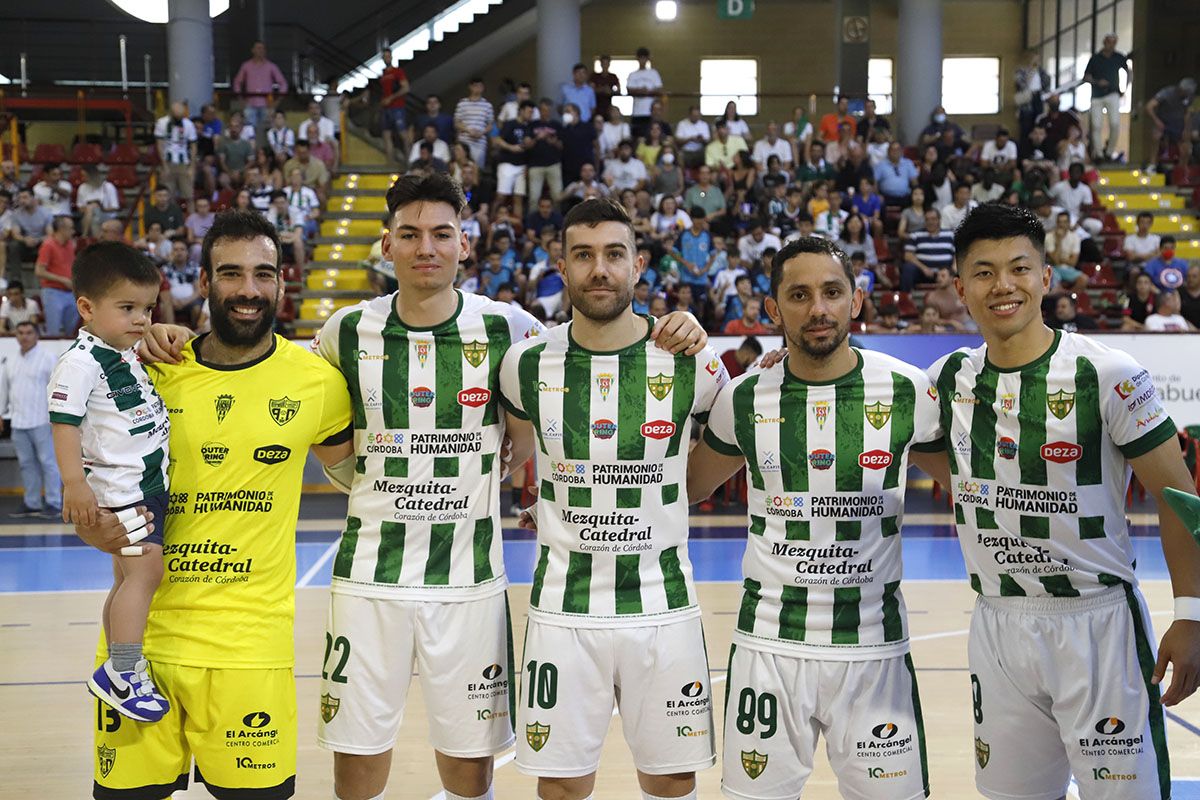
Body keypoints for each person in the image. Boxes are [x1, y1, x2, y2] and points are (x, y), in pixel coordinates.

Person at [315, 177, 704, 800]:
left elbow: (530, 424)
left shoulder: (508, 330)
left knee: (471, 769)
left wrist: (491, 474)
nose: (426, 248)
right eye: (410, 235)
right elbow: (320, 426)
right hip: (368, 577)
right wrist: (361, 481)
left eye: (441, 234)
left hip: (470, 581)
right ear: (386, 244)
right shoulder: (344, 331)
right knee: (357, 761)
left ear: (463, 244)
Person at [79, 209, 354, 800]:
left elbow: (362, 472)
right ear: (203, 282)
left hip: (249, 653)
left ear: (282, 281)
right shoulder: (146, 369)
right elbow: (93, 478)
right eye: (231, 273)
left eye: (263, 273)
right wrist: (92, 528)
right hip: (138, 653)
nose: (248, 290)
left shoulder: (317, 382)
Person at [930, 202, 1200, 800]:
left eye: (1019, 268)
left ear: (1046, 278)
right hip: (997, 623)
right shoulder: (949, 379)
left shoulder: (1107, 372)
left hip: (1097, 623)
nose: (1004, 285)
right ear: (960, 288)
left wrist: (1192, 613)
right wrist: (778, 362)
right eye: (984, 271)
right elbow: (872, 407)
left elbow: (1178, 495)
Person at [688, 235, 944, 800]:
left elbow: (975, 490)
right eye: (799, 295)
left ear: (856, 300)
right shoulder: (746, 395)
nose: (818, 309)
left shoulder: (907, 390)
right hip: (770, 648)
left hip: (875, 649)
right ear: (774, 309)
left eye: (832, 292)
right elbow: (685, 486)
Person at [500, 197, 724, 800]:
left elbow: (706, 473)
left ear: (639, 264)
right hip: (563, 607)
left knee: (672, 781)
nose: (600, 269)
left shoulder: (693, 362)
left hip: (663, 604)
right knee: (563, 784)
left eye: (614, 255)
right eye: (584, 255)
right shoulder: (525, 364)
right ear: (562, 265)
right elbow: (510, 454)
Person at [47, 242, 172, 722]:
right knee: (145, 573)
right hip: (122, 494)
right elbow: (64, 424)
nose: (141, 318)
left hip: (144, 487)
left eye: (146, 307)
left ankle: (116, 665)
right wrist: (73, 485)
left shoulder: (122, 352)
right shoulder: (79, 364)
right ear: (86, 308)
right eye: (127, 308)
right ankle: (123, 672)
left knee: (126, 579)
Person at [0, 320, 61, 516]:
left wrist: (57, 416)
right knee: (26, 465)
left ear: (36, 335)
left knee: (48, 463)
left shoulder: (48, 358)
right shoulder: (10, 360)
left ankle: (54, 503)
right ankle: (32, 502)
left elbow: (57, 389)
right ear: (16, 336)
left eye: (28, 333)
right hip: (18, 423)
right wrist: (1, 412)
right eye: (20, 333)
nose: (24, 336)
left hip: (43, 420)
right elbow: (4, 390)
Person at [1082, 34, 1130, 161]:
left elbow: (1128, 72)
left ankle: (1109, 152)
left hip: (1113, 93)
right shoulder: (1096, 58)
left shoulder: (1119, 57)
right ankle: (1098, 154)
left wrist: (1124, 88)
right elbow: (1086, 76)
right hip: (1097, 95)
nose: (1111, 45)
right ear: (1104, 43)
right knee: (1096, 125)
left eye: (1114, 43)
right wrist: (1097, 82)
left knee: (1115, 123)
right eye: (1109, 42)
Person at [232, 40, 288, 137]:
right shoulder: (246, 66)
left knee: (268, 130)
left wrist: (278, 100)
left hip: (267, 105)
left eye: (262, 48)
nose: (260, 51)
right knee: (249, 131)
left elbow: (283, 83)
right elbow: (237, 82)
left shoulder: (271, 66)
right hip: (250, 104)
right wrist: (240, 99)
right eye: (258, 48)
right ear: (253, 50)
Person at [36, 215, 79, 336]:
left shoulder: (70, 244)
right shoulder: (48, 245)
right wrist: (62, 280)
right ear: (62, 229)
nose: (73, 231)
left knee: (73, 331)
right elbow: (39, 271)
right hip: (52, 292)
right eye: (71, 228)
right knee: (53, 332)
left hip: (69, 292)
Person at [1146, 78, 1198, 164]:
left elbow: (1187, 114)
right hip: (1163, 123)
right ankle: (1152, 165)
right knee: (1156, 136)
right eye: (1185, 92)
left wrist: (1186, 129)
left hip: (1178, 125)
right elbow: (1149, 107)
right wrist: (1157, 121)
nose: (1186, 95)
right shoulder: (1166, 93)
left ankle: (1181, 170)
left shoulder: (1189, 97)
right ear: (1181, 89)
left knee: (1186, 146)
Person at [902, 209, 954, 291]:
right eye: (927, 219)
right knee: (908, 268)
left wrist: (952, 270)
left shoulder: (950, 235)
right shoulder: (915, 235)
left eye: (933, 219)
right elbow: (908, 256)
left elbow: (958, 255)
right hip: (923, 273)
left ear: (939, 220)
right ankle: (906, 299)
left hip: (946, 273)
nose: (930, 222)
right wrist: (924, 268)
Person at [378, 48, 411, 164]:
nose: (387, 58)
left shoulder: (398, 72)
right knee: (386, 135)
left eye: (388, 56)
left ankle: (409, 162)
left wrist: (391, 98)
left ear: (391, 57)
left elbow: (406, 87)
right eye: (385, 56)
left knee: (403, 135)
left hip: (397, 107)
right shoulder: (382, 74)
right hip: (386, 108)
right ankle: (390, 163)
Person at [455, 78, 496, 168]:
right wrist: (468, 130)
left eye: (480, 86)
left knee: (477, 169)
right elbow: (457, 123)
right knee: (461, 167)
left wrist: (481, 133)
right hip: (464, 141)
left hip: (480, 142)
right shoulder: (462, 103)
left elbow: (490, 125)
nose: (478, 88)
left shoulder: (487, 105)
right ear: (470, 87)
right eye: (475, 86)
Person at [626, 47, 663, 140]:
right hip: (637, 112)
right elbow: (629, 90)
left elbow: (659, 89)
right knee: (636, 137)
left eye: (644, 58)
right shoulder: (633, 74)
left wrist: (648, 92)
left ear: (647, 59)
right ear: (637, 59)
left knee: (649, 137)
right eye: (640, 58)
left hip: (650, 113)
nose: (642, 60)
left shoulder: (653, 73)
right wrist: (640, 91)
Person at [1015, 50, 1052, 140]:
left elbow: (1047, 83)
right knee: (1026, 126)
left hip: (1039, 97)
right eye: (1033, 58)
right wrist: (1031, 71)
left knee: (1039, 123)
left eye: (1037, 59)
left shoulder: (1041, 71)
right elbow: (1021, 84)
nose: (1035, 61)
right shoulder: (1021, 71)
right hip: (1027, 99)